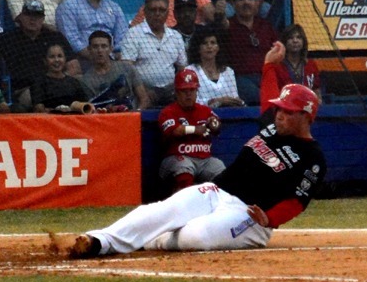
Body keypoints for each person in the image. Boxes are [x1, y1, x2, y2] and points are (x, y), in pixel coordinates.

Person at [69, 66, 324, 258]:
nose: (279, 115)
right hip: (216, 191)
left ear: (306, 115)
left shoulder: (313, 159)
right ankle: (98, 241)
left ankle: (151, 240)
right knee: (163, 210)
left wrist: (269, 218)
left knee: (195, 236)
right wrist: (269, 65)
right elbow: (268, 93)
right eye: (278, 109)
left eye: (287, 111)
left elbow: (296, 201)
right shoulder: (272, 127)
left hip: (251, 217)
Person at [0, 0, 77, 110]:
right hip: (24, 90)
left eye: (37, 16)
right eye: (28, 15)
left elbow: (74, 66)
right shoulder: (8, 38)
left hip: (57, 84)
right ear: (21, 17)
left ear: (43, 19)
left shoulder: (54, 36)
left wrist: (58, 81)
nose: (33, 19)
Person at [158, 68, 225, 193]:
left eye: (192, 90)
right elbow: (176, 130)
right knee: (184, 167)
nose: (188, 94)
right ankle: (186, 206)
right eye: (184, 91)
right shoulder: (168, 111)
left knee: (220, 169)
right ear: (177, 93)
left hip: (205, 160)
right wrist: (195, 129)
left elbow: (217, 125)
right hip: (177, 157)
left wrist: (214, 124)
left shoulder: (204, 110)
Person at [121, 0, 187, 106]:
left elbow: (182, 69)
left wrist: (176, 89)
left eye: (162, 10)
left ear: (167, 13)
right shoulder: (133, 34)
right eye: (153, 10)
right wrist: (142, 90)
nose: (157, 13)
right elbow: (127, 69)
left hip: (171, 93)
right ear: (145, 12)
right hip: (142, 93)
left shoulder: (176, 36)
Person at [56, 0, 129, 59]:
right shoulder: (67, 7)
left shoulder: (114, 7)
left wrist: (116, 53)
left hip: (112, 58)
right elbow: (71, 39)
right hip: (82, 59)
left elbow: (123, 35)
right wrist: (97, 58)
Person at [226, 0, 279, 105]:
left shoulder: (266, 26)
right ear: (233, 4)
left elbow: (277, 52)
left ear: (256, 2)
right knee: (263, 98)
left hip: (265, 77)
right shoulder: (228, 26)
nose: (246, 2)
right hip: (240, 79)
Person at [79, 30, 149, 110]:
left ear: (111, 49)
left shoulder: (127, 68)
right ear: (89, 49)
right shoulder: (86, 80)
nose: (100, 51)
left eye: (104, 46)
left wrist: (136, 113)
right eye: (95, 47)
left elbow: (144, 99)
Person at [184, 26, 242, 108]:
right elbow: (192, 101)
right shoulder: (190, 71)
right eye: (204, 43)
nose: (209, 46)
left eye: (213, 43)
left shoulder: (228, 71)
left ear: (218, 47)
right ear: (198, 48)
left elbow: (234, 98)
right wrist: (218, 101)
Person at [32, 43, 88, 112]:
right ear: (45, 61)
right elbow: (39, 109)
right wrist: (57, 111)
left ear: (65, 59)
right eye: (52, 57)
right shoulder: (39, 83)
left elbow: (85, 106)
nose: (57, 60)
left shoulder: (74, 82)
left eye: (60, 56)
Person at [274, 24, 320, 93]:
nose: (295, 41)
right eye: (290, 38)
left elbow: (316, 90)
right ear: (285, 42)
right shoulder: (277, 66)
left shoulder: (311, 65)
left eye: (298, 37)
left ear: (303, 41)